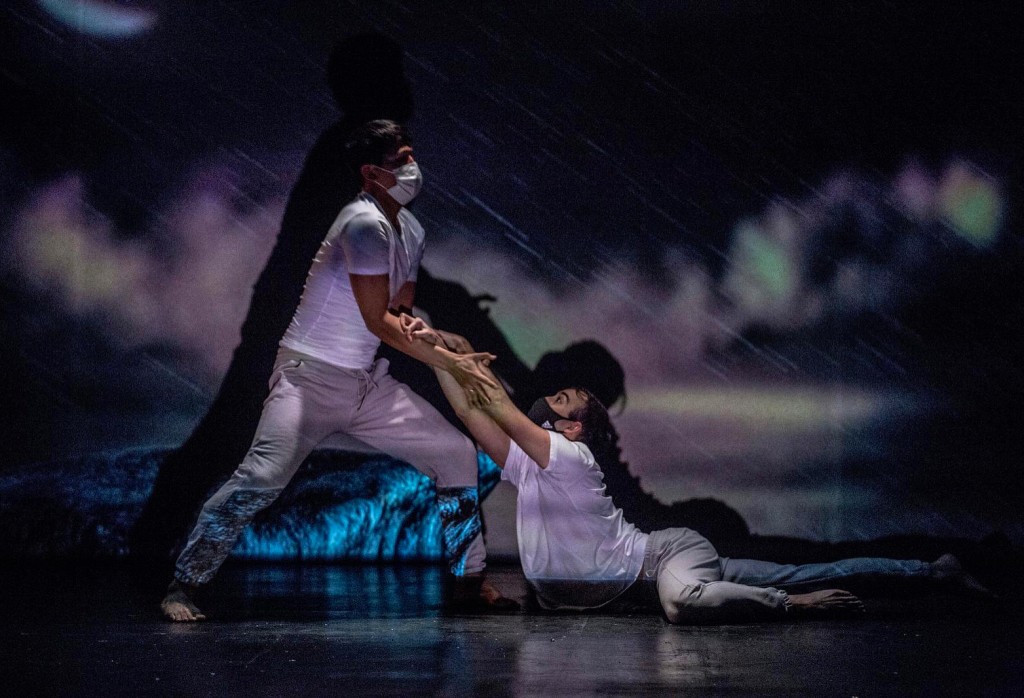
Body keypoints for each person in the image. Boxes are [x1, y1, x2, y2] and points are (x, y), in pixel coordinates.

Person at [403, 316, 989, 622]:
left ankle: (807, 602)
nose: (551, 397)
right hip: (648, 565)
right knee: (800, 566)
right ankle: (934, 570)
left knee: (702, 598)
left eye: (563, 399)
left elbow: (495, 401)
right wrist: (437, 354)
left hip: (664, 558)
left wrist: (446, 348)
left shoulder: (570, 455)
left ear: (574, 429)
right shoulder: (532, 465)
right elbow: (471, 409)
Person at [161, 120, 514, 621]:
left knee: (455, 452)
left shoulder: (411, 232)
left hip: (366, 384)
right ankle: (184, 584)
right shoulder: (361, 223)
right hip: (308, 378)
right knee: (260, 477)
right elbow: (377, 320)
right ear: (371, 174)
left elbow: (398, 316)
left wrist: (439, 340)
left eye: (412, 155)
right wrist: (453, 363)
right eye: (401, 160)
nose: (413, 167)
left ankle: (468, 582)